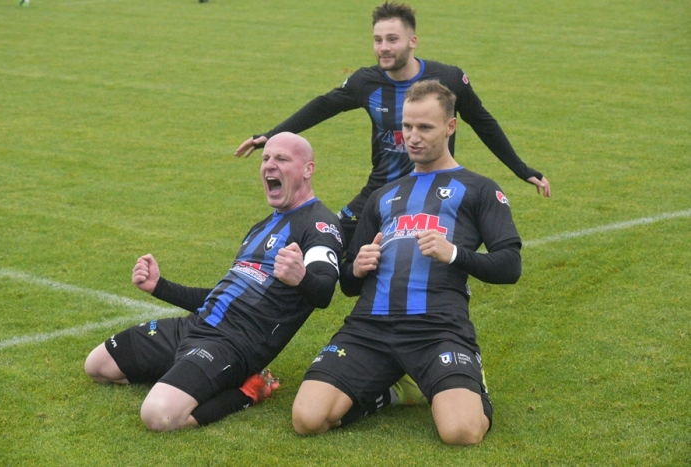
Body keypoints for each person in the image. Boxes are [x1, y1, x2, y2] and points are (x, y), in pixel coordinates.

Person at [291, 80, 523, 445]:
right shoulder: (384, 195)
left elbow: (510, 265)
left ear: (450, 127)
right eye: (407, 126)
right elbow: (349, 285)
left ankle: (469, 381)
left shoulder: (480, 189)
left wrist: (454, 254)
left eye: (425, 127)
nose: (412, 137)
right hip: (370, 328)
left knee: (461, 432)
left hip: (437, 329)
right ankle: (393, 390)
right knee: (308, 419)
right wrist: (356, 267)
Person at [235, 1, 550, 248]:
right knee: (331, 239)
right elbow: (322, 106)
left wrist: (521, 169)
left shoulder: (448, 79)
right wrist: (271, 136)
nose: (383, 47)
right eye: (378, 40)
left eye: (392, 39)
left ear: (413, 41)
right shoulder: (365, 82)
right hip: (379, 189)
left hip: (431, 192)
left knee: (408, 255)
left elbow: (483, 122)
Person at [84, 132, 344, 431]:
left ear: (308, 169)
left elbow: (323, 292)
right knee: (98, 366)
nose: (269, 165)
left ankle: (249, 389)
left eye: (282, 159)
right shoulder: (262, 226)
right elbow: (226, 296)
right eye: (265, 158)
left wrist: (302, 278)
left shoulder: (320, 226)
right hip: (195, 326)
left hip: (231, 345)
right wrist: (160, 286)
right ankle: (188, 373)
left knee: (159, 415)